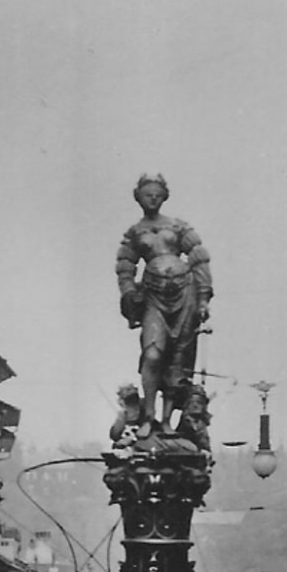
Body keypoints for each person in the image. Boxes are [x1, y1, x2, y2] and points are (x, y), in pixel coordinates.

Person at [116, 173, 212, 434]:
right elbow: (125, 268)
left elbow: (199, 258)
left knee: (176, 361)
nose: (153, 198)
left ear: (164, 196)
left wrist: (203, 299)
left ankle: (168, 419)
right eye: (148, 194)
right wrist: (128, 295)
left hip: (184, 296)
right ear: (138, 197)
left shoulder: (179, 226)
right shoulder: (135, 232)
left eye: (158, 193)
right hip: (153, 297)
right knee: (153, 355)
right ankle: (148, 417)